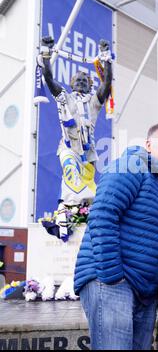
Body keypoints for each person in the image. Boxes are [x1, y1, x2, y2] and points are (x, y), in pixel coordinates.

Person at [74, 123, 158, 350]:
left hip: (145, 290)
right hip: (113, 281)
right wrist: (112, 276)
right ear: (148, 145)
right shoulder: (130, 167)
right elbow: (102, 215)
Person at [37, 36, 112, 239]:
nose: (80, 82)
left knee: (88, 184)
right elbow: (49, 78)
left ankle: (80, 214)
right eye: (77, 80)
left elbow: (106, 85)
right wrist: (46, 53)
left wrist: (106, 59)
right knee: (70, 173)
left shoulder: (94, 101)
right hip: (68, 147)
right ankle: (66, 213)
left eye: (84, 81)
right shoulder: (64, 97)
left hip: (88, 151)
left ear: (89, 85)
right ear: (72, 84)